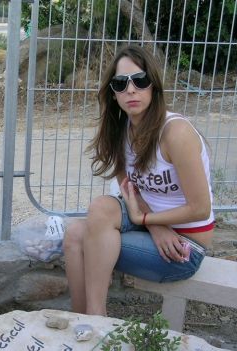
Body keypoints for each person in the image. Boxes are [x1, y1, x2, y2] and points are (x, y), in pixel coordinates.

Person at [63, 45, 214, 316]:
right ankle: (79, 320)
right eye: (121, 83)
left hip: (182, 248)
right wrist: (154, 226)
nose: (131, 90)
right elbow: (130, 189)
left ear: (153, 85)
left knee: (85, 238)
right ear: (113, 93)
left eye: (140, 80)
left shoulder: (175, 133)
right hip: (152, 228)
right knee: (78, 229)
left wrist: (145, 220)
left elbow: (200, 208)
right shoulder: (122, 131)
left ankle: (95, 319)